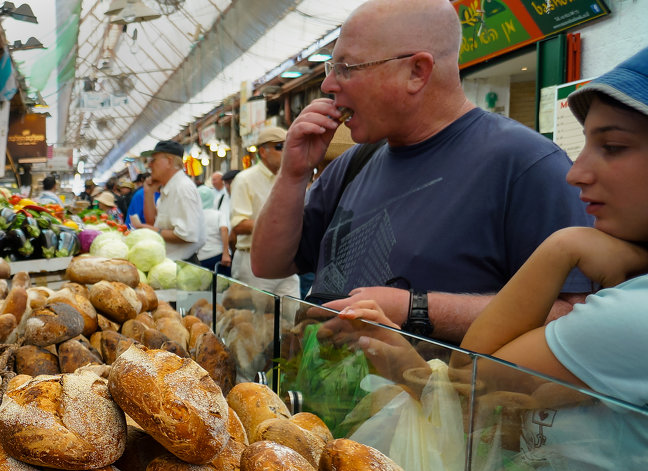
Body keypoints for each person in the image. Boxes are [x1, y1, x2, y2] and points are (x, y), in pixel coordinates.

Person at [455, 47, 648, 471]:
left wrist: (558, 249)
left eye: (613, 147)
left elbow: (472, 379)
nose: (577, 173)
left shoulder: (637, 318)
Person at [250, 0, 592, 342]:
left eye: (347, 68)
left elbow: (573, 315)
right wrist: (293, 174)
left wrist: (414, 309)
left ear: (417, 71)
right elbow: (269, 266)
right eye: (332, 68)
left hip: (445, 395)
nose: (328, 86)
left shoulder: (528, 165)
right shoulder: (356, 162)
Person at [228, 126, 300, 298]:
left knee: (290, 315)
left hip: (286, 262)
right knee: (255, 320)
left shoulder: (290, 179)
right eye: (279, 147)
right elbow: (239, 224)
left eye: (288, 146)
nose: (285, 151)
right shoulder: (245, 179)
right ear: (263, 151)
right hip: (253, 262)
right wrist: (277, 226)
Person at [132, 140, 203, 261]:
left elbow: (186, 234)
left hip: (182, 265)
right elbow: (153, 221)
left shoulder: (183, 188)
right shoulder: (170, 188)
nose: (149, 165)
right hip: (171, 262)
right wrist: (148, 193)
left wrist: (149, 229)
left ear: (169, 161)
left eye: (153, 160)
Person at [194, 186, 231, 273]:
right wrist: (226, 253)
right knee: (221, 285)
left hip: (200, 258)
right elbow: (224, 230)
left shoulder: (194, 216)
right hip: (218, 257)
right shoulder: (218, 214)